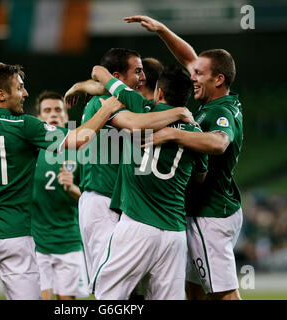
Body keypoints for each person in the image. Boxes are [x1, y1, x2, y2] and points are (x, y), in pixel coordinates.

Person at [0, 62, 123, 300]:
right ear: (1, 94)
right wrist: (107, 108)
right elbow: (78, 139)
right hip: (17, 238)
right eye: (20, 88)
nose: (25, 93)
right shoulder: (25, 125)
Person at [125, 15, 244, 300]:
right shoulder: (212, 100)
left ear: (219, 79)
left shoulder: (220, 112)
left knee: (223, 293)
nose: (192, 77)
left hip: (210, 214)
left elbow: (218, 143)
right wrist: (163, 31)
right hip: (207, 211)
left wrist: (173, 135)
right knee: (193, 289)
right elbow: (191, 58)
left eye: (199, 74)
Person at [65, 48, 195, 290]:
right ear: (117, 77)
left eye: (144, 73)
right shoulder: (106, 103)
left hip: (125, 206)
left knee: (135, 288)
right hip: (101, 202)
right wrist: (177, 113)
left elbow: (102, 82)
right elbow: (135, 124)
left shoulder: (137, 104)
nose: (142, 77)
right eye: (137, 72)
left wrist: (82, 85)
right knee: (111, 287)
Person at [90, 64, 208, 300]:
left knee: (108, 295)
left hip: (137, 225)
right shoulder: (196, 133)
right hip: (174, 234)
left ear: (160, 93)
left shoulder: (138, 105)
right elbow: (200, 177)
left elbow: (98, 71)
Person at [31, 90, 88, 300]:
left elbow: (93, 201)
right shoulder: (29, 150)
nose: (53, 114)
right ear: (39, 118)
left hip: (69, 240)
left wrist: (72, 189)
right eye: (47, 110)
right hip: (35, 242)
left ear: (66, 117)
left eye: (58, 109)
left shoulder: (80, 150)